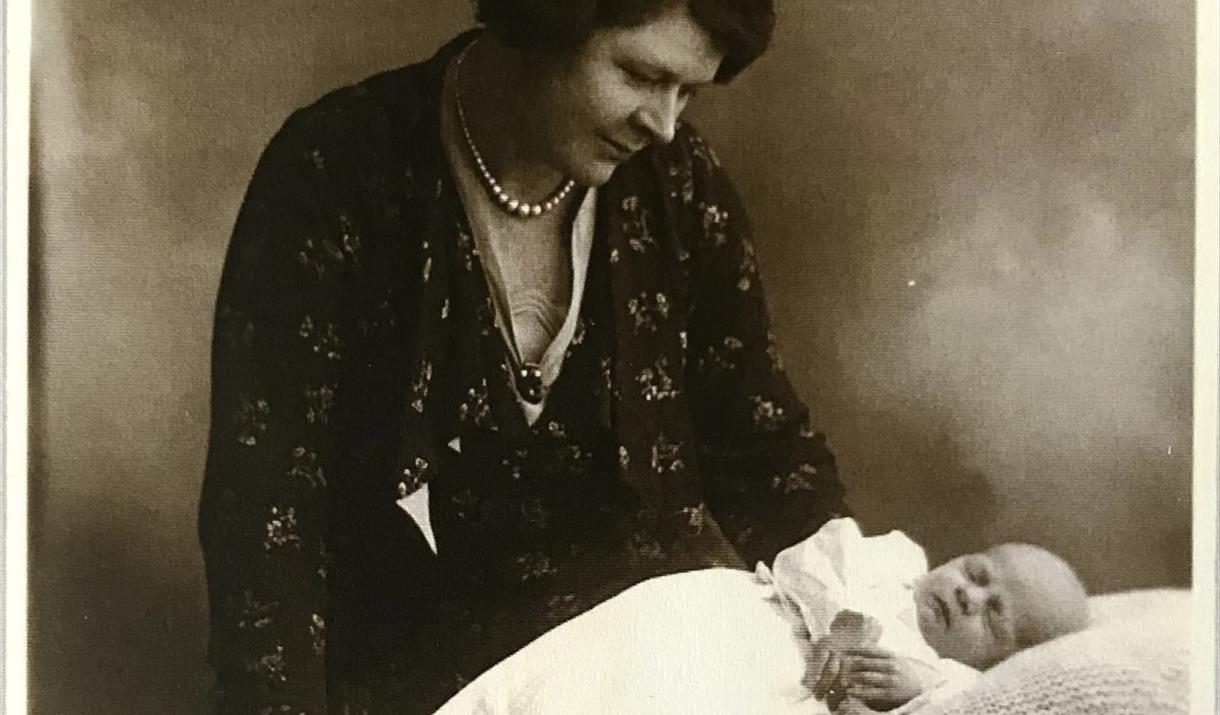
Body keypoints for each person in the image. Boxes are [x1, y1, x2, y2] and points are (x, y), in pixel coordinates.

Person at [198, 1, 849, 712]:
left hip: (658, 673)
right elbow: (267, 520)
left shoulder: (682, 187)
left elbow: (765, 455)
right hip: (422, 689)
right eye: (638, 74)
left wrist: (865, 621)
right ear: (546, 20)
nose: (663, 123)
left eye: (688, 91)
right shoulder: (336, 174)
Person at [432, 518, 1090, 714]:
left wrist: (910, 687)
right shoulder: (893, 561)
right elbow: (809, 556)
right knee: (593, 680)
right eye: (977, 572)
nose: (971, 595)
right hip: (742, 626)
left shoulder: (949, 680)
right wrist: (840, 618)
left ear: (1000, 658)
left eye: (994, 616)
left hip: (767, 697)